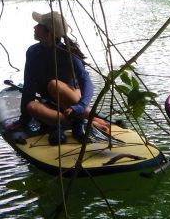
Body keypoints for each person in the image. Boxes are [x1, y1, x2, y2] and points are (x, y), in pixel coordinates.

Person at [13, 11, 110, 145]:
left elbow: (86, 81)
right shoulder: (32, 52)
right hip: (50, 103)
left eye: (38, 25)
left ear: (49, 33)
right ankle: (85, 123)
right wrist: (23, 120)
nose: (34, 27)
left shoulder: (68, 53)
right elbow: (29, 86)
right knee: (31, 107)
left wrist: (81, 106)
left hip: (71, 100)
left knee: (54, 85)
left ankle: (83, 118)